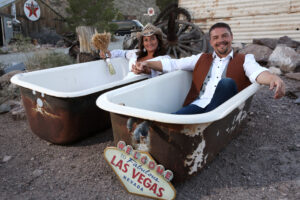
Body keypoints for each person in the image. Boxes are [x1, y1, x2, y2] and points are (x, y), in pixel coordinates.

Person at [134, 22, 285, 114]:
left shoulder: (245, 59)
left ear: (231, 37)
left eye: (224, 36)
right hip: (198, 105)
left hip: (222, 111)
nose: (221, 41)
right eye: (215, 38)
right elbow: (173, 64)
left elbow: (257, 73)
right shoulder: (201, 58)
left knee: (227, 83)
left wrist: (273, 78)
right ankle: (148, 127)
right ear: (211, 41)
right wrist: (147, 63)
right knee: (173, 119)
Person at [99, 23, 170, 78]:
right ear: (142, 43)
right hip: (125, 85)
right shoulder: (135, 53)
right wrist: (107, 54)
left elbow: (163, 69)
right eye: (146, 40)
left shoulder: (164, 58)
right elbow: (120, 53)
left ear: (158, 40)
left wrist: (145, 70)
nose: (149, 43)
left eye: (153, 39)